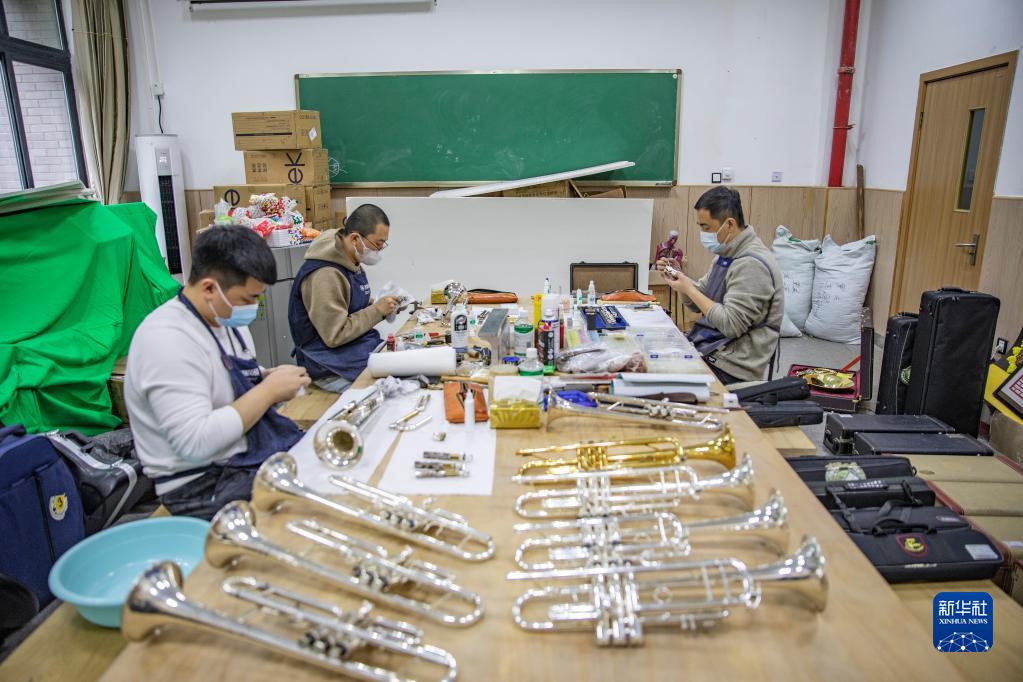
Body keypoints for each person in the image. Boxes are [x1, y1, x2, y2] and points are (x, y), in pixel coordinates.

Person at [125, 226, 310, 519]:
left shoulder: (224, 319)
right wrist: (268, 391)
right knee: (314, 505)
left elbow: (220, 377)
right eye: (248, 299)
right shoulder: (165, 340)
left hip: (241, 455)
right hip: (202, 483)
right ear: (210, 288)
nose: (254, 307)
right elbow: (195, 443)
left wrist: (264, 377)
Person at [657, 186, 783, 385]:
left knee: (656, 376)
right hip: (711, 349)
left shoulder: (751, 264)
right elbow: (697, 302)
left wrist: (688, 287)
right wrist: (679, 278)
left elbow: (731, 325)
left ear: (729, 224)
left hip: (731, 367)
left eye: (706, 227)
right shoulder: (726, 255)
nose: (703, 233)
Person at [288, 203, 399, 393]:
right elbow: (335, 334)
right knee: (391, 392)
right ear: (355, 238)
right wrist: (376, 311)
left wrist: (383, 305)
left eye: (383, 244)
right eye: (377, 244)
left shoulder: (349, 258)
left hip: (354, 350)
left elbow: (350, 306)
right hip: (329, 366)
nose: (379, 250)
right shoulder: (325, 274)